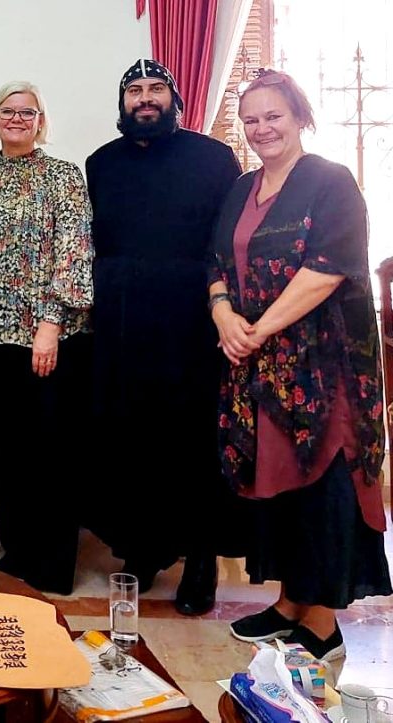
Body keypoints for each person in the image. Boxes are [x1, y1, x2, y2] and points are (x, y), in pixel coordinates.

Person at [210, 70, 391, 661]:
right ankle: (289, 601)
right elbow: (214, 261)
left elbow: (327, 268)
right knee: (277, 486)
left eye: (274, 117)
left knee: (321, 487)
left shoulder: (330, 183)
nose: (262, 129)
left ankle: (320, 621)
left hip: (321, 369)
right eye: (252, 119)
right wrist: (223, 316)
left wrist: (256, 329)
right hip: (258, 372)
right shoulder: (241, 188)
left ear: (300, 118)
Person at [86, 59, 242, 615]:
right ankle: (143, 549)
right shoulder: (101, 163)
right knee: (132, 440)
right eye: (135, 90)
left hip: (191, 327)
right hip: (123, 326)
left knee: (192, 444)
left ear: (173, 99)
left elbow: (228, 243)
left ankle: (200, 560)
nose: (145, 99)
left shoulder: (215, 159)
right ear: (123, 101)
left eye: (155, 89)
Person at [0, 81, 93, 593]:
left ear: (40, 120)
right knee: (6, 451)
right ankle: (19, 552)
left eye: (26, 112)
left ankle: (54, 564)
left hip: (44, 339)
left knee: (50, 456)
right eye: (7, 111)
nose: (16, 119)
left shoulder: (64, 176)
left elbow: (74, 251)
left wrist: (50, 324)